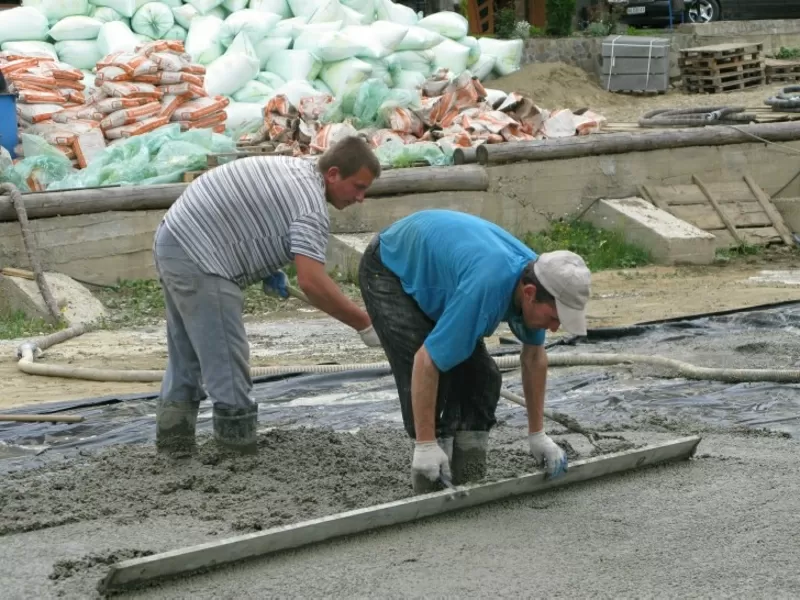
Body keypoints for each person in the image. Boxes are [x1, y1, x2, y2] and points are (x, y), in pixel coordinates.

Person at [153, 136, 383, 456]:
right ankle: (237, 454)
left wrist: (265, 267)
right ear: (332, 174)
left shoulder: (298, 171)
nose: (361, 198)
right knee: (226, 361)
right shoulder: (311, 207)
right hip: (202, 256)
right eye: (358, 187)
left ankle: (173, 449)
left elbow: (254, 212)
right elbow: (312, 281)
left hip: (174, 237)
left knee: (186, 356)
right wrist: (364, 324)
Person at [358, 209, 591, 492]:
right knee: (434, 375)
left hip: (444, 272)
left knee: (483, 379)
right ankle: (429, 483)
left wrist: (537, 434)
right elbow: (426, 362)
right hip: (390, 268)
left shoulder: (543, 280)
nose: (554, 329)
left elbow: (533, 358)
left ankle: (468, 475)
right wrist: (426, 444)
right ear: (529, 294)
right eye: (554, 318)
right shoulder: (487, 286)